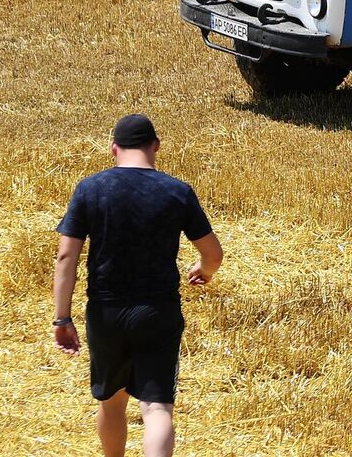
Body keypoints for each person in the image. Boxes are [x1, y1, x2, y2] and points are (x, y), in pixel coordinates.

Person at [53, 114, 223, 457]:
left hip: (105, 312)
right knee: (157, 409)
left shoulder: (90, 188)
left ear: (113, 148)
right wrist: (204, 270)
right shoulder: (177, 191)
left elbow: (66, 258)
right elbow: (213, 254)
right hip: (157, 312)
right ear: (156, 146)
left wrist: (62, 318)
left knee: (112, 402)